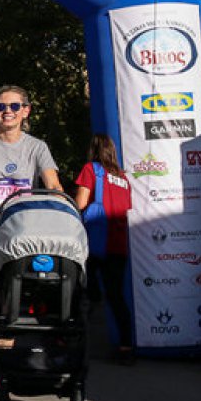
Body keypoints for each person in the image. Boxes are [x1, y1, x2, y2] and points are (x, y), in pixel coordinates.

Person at [0, 84, 61, 356]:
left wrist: (60, 204)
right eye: (2, 106)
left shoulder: (37, 147)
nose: (8, 111)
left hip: (22, 230)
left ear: (25, 111)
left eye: (15, 106)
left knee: (19, 288)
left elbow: (53, 183)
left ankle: (9, 346)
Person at [74, 134, 135, 363]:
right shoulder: (123, 178)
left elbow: (80, 203)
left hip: (95, 242)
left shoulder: (91, 170)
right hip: (118, 244)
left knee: (82, 293)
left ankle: (73, 343)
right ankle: (126, 348)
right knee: (117, 297)